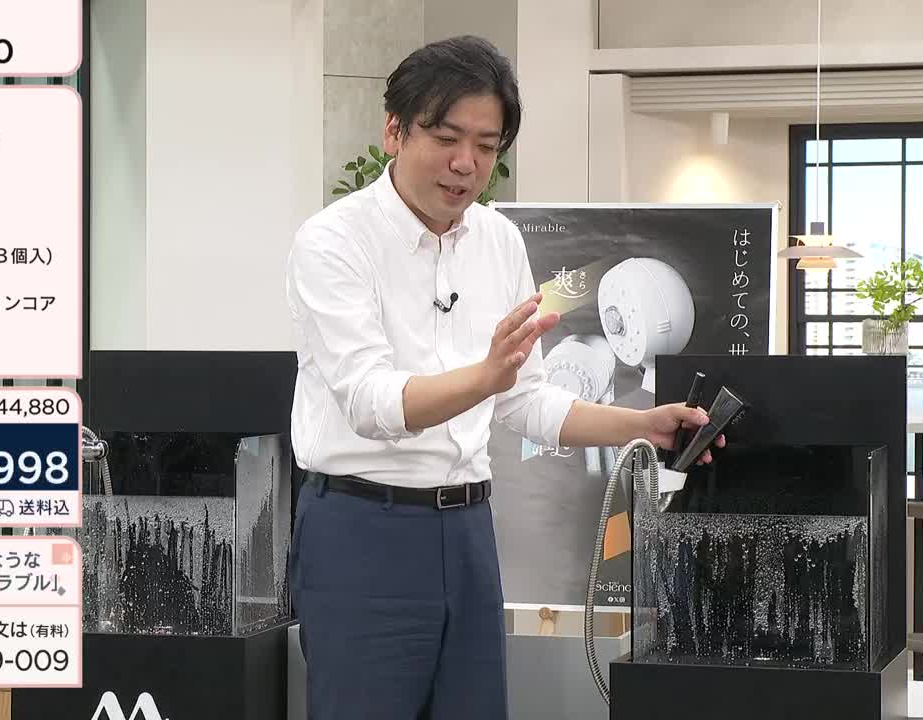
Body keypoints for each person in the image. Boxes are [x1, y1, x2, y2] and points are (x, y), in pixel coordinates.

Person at [284, 36, 723, 719]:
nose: (466, 164)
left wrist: (641, 425)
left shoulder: (499, 240)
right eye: (448, 137)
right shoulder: (333, 242)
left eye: (487, 147)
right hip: (362, 530)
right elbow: (373, 404)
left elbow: (528, 400)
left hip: (467, 532)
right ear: (394, 130)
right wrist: (486, 377)